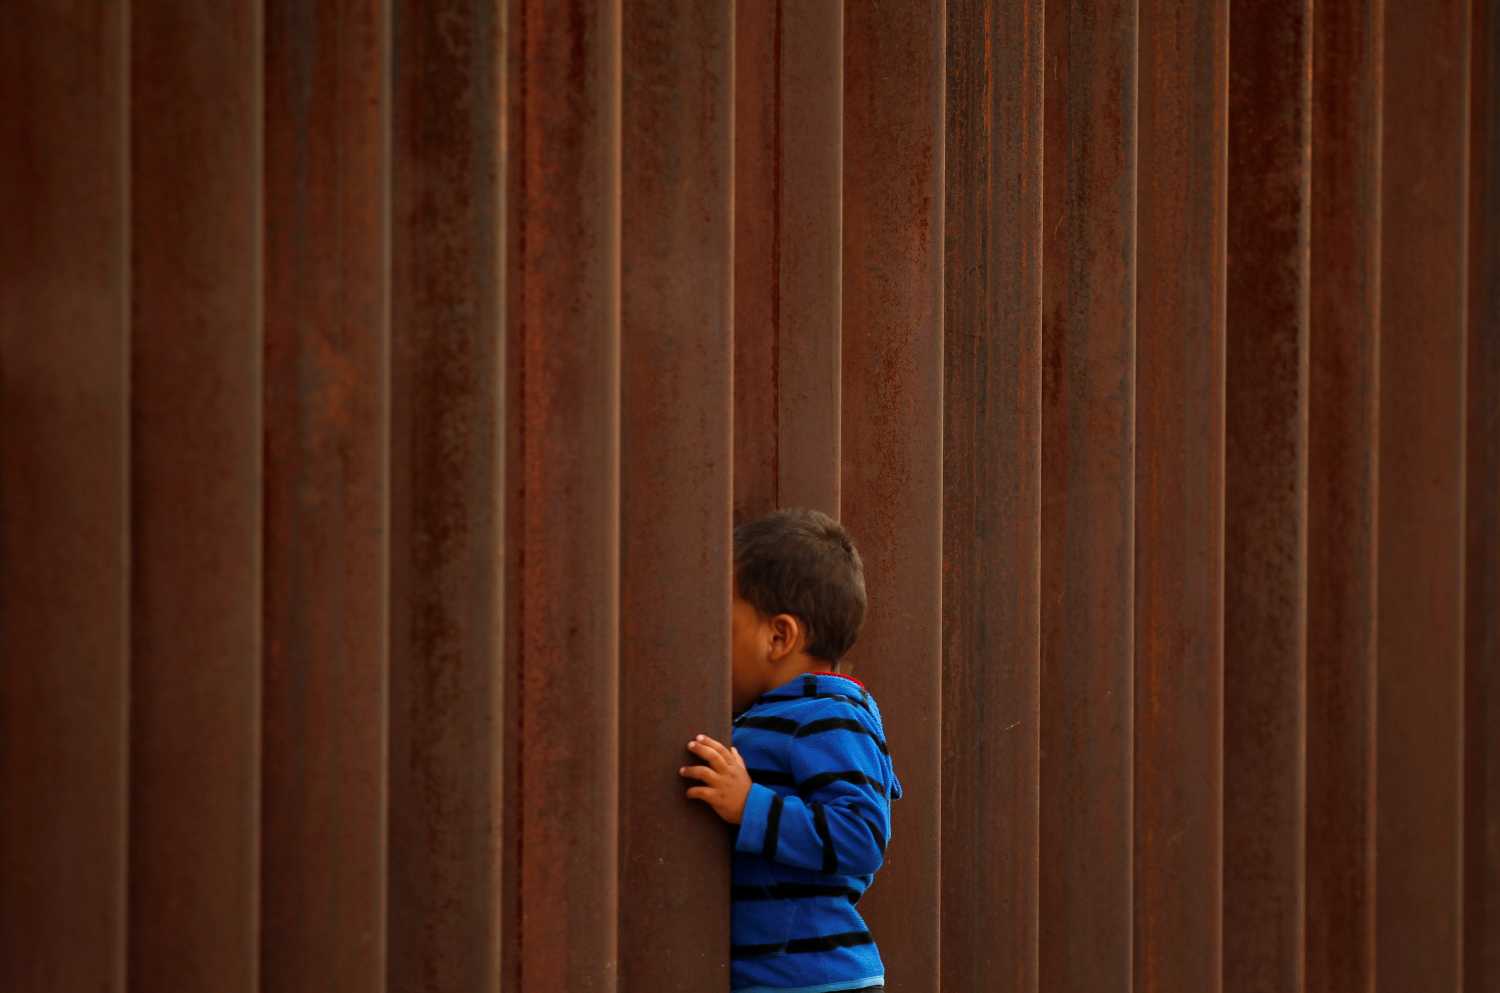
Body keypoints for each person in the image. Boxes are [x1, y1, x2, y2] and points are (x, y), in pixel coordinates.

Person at [680, 508, 902, 993]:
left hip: (813, 981)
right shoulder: (773, 712)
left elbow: (862, 836)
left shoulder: (829, 714)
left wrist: (749, 804)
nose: (713, 644)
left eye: (727, 626)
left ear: (779, 636)